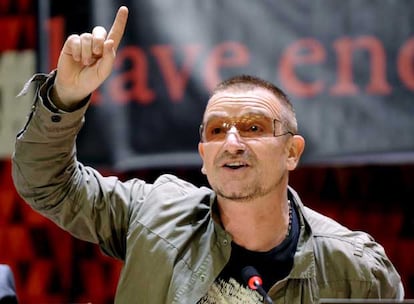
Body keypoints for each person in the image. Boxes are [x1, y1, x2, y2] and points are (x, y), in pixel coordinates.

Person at [12, 6, 404, 304]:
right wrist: (66, 95)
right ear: (203, 155)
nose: (232, 143)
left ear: (291, 151)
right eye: (217, 131)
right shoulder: (152, 213)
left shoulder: (355, 269)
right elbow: (48, 184)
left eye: (253, 127)